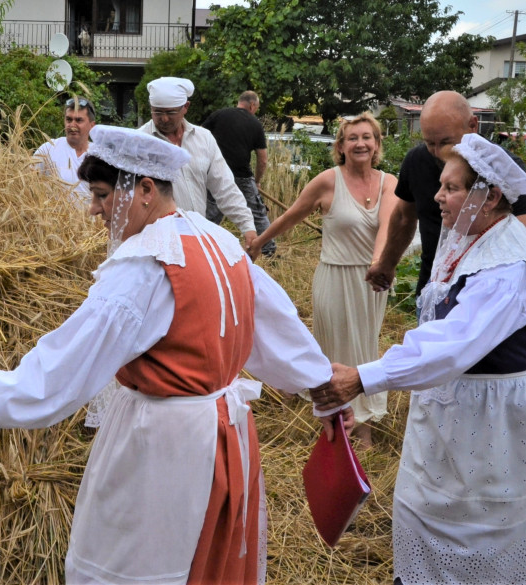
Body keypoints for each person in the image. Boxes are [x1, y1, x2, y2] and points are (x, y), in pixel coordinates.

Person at [0, 125, 346, 584]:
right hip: (227, 435)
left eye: (102, 195)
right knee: (204, 555)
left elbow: (64, 366)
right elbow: (279, 329)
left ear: (144, 190)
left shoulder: (145, 266)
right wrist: (322, 387)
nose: (94, 210)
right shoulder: (218, 241)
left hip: (163, 443)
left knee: (139, 559)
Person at [315, 133, 526, 585]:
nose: (438, 196)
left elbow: (451, 344)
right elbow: (433, 333)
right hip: (463, 411)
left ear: (491, 196)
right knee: (434, 516)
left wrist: (364, 377)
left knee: (492, 530)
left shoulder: (507, 268)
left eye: (452, 187)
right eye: (441, 185)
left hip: (502, 420)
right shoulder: (466, 243)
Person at [249, 113, 397, 450]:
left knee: (365, 346)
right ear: (341, 146)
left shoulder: (389, 182)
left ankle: (336, 406)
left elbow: (388, 226)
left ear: (376, 144)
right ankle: (352, 423)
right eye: (352, 138)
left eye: (367, 137)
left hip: (373, 281)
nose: (360, 143)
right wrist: (258, 243)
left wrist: (379, 264)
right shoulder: (327, 181)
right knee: (336, 345)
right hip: (334, 275)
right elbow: (291, 216)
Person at [366, 91, 526, 295]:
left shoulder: (503, 170)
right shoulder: (416, 161)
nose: (437, 152)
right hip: (433, 287)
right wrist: (386, 264)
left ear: (473, 125)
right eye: (430, 143)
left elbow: (522, 236)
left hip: (483, 291)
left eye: (446, 142)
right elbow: (403, 217)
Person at [138, 77, 258, 252]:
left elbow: (224, 187)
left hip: (195, 239)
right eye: (157, 112)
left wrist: (247, 226)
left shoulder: (204, 139)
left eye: (171, 113)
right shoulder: (139, 142)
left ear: (185, 107)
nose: (164, 119)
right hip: (155, 242)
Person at [202, 91, 273, 256]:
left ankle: (201, 243)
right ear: (252, 105)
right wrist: (256, 181)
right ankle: (269, 250)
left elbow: (199, 137)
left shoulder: (219, 115)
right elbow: (262, 159)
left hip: (215, 173)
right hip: (242, 175)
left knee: (211, 212)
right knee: (256, 213)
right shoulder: (255, 123)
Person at [33, 97, 96, 206]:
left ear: (92, 125)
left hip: (88, 223)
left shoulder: (100, 156)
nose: (72, 125)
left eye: (78, 120)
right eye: (68, 119)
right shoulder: (48, 149)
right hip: (52, 222)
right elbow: (27, 182)